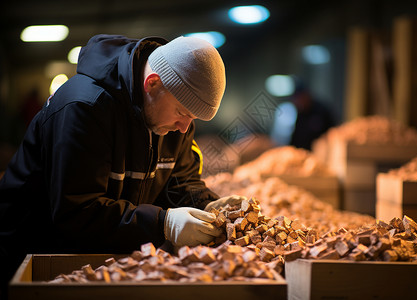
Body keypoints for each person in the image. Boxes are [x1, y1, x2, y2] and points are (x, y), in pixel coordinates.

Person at [0, 34, 245, 293]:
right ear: (152, 84)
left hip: (101, 258)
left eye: (192, 119)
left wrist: (206, 203)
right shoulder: (83, 109)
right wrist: (162, 223)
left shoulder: (172, 121)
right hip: (32, 259)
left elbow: (179, 182)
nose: (185, 128)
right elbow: (77, 212)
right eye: (183, 113)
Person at [289, 79, 335, 150]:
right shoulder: (301, 113)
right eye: (296, 99)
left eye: (300, 98)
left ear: (306, 95)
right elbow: (296, 137)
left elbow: (332, 133)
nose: (298, 102)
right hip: (302, 152)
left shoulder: (321, 111)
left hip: (320, 152)